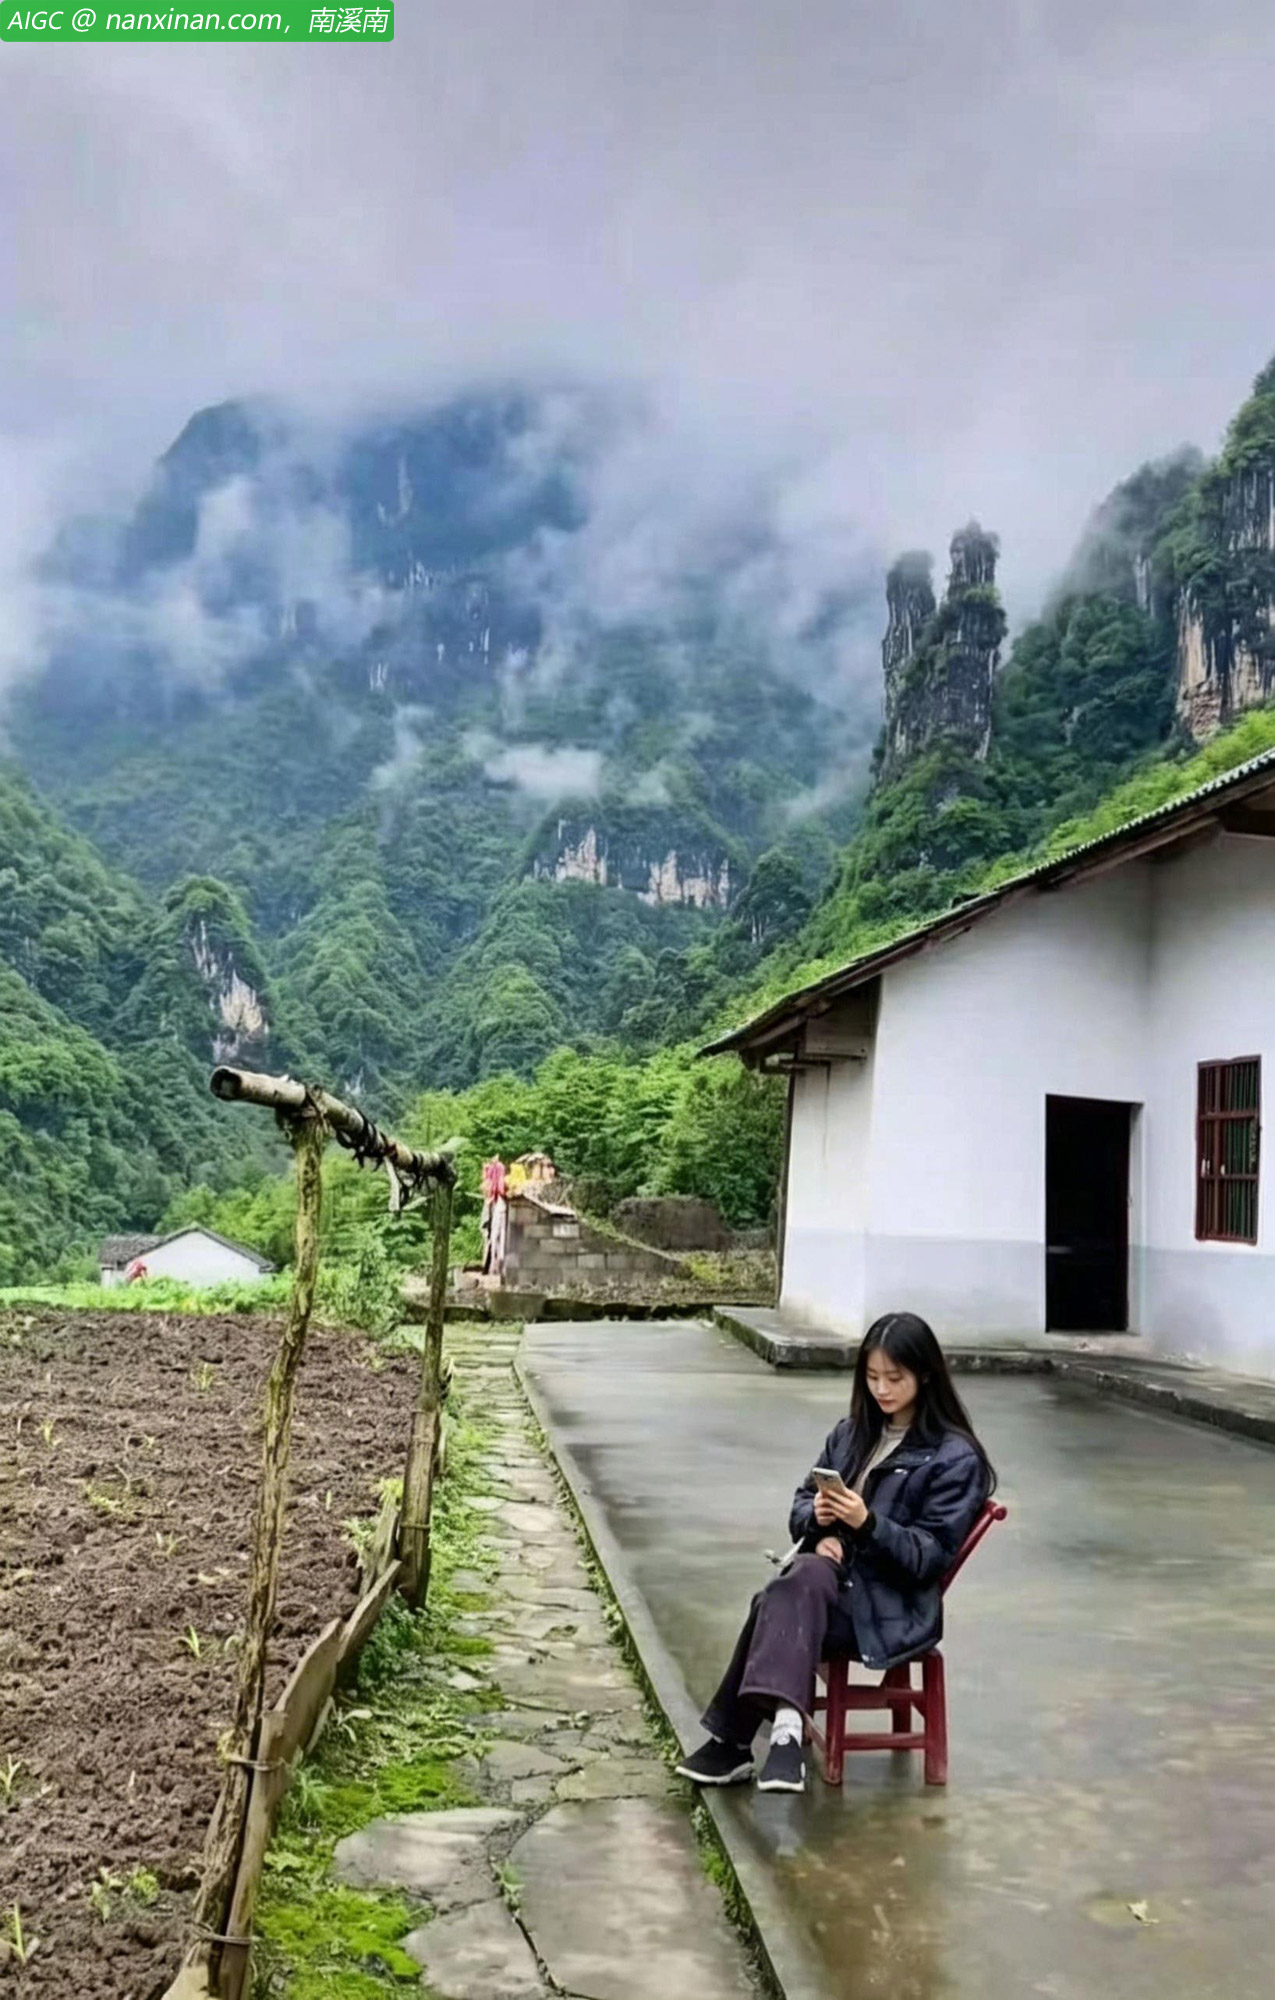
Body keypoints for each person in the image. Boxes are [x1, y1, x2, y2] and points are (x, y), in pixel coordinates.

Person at [677, 1310, 996, 1794]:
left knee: (782, 1592)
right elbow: (802, 1502)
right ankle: (778, 1739)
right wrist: (820, 1520)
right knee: (802, 1577)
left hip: (888, 1606)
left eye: (895, 1378)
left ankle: (741, 1742)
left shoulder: (954, 1458)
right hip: (831, 1587)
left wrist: (864, 1524)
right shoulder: (851, 1434)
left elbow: (927, 1558)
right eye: (871, 1377)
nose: (882, 1390)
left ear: (925, 1375)